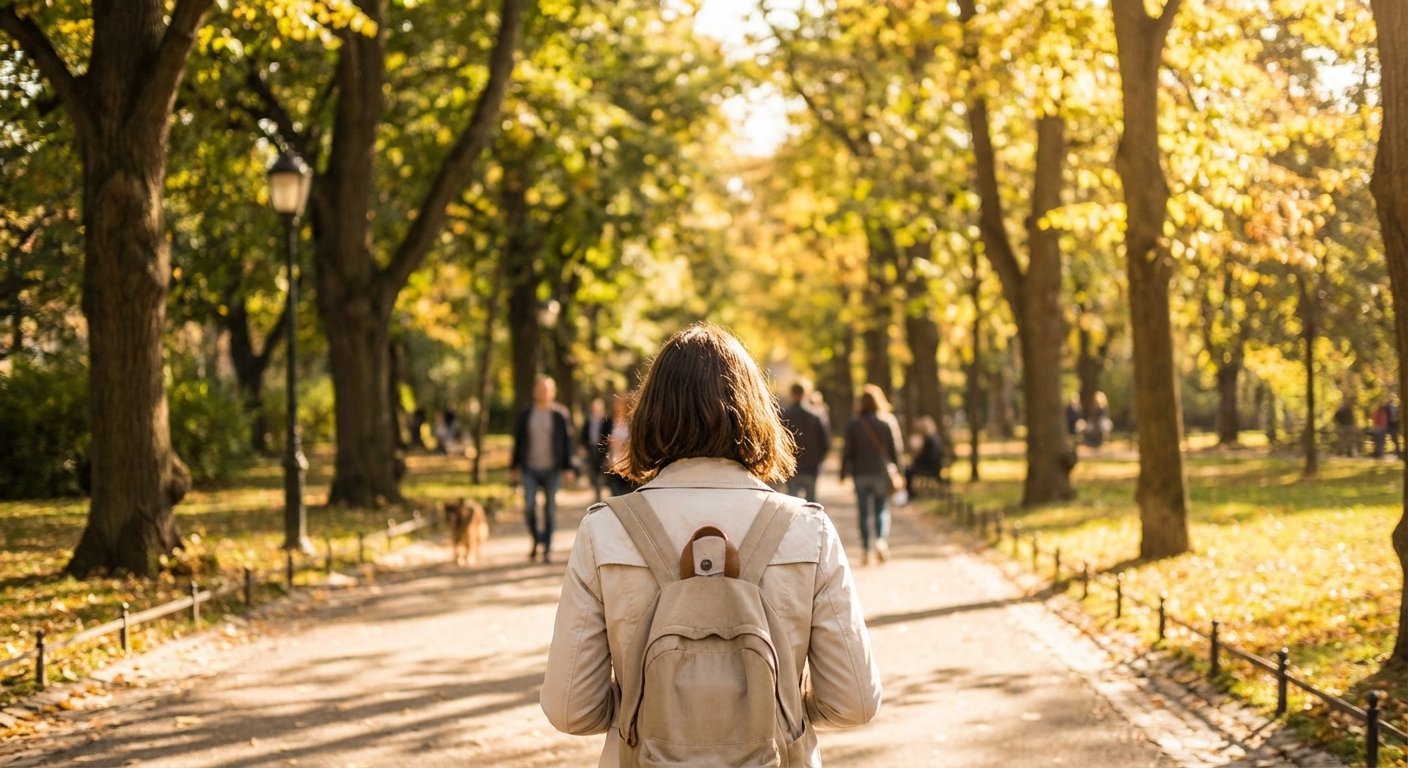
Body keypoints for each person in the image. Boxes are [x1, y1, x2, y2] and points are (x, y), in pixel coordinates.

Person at [541, 324, 881, 766]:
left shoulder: (606, 531)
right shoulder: (807, 531)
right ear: (756, 410)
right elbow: (854, 701)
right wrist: (778, 707)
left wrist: (645, 707)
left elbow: (572, 710)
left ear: (652, 413)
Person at [510, 376, 575, 563]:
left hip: (552, 469)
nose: (543, 392)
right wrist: (514, 465)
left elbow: (567, 443)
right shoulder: (526, 414)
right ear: (535, 391)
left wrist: (568, 467)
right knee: (529, 507)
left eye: (547, 389)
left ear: (552, 392)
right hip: (530, 468)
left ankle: (546, 548)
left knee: (550, 510)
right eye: (540, 388)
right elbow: (519, 441)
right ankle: (537, 538)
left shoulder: (560, 415)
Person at [842, 386, 903, 566]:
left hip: (860, 474)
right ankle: (881, 540)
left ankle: (866, 550)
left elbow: (848, 451)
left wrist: (844, 472)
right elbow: (896, 450)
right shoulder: (887, 421)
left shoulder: (854, 424)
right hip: (881, 473)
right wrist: (900, 472)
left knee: (863, 513)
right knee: (881, 508)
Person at [781, 379, 831, 502]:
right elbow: (826, 442)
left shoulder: (784, 415)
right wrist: (819, 459)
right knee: (811, 503)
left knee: (792, 503)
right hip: (811, 466)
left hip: (791, 466)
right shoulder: (817, 415)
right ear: (806, 393)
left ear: (792, 394)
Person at [603, 394, 638, 497]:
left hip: (628, 462)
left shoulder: (631, 422)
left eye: (619, 403)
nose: (616, 406)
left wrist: (623, 443)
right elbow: (602, 439)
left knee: (628, 492)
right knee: (615, 492)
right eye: (615, 404)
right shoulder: (608, 422)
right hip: (613, 461)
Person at [906, 416, 948, 492]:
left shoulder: (930, 441)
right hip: (933, 467)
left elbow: (928, 458)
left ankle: (910, 493)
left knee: (908, 471)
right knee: (908, 469)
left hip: (930, 468)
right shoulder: (933, 439)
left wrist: (918, 452)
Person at [579, 398, 609, 503]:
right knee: (592, 472)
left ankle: (599, 492)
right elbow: (583, 436)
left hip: (602, 450)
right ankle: (597, 490)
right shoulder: (588, 421)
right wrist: (582, 447)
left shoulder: (606, 421)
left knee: (601, 472)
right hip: (591, 449)